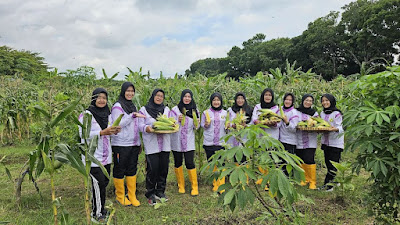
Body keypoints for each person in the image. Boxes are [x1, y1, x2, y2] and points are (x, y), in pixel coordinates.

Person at [79, 88, 121, 222]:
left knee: (104, 183)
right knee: (98, 184)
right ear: (94, 99)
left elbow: (108, 132)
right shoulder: (86, 115)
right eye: (99, 97)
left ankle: (99, 206)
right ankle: (97, 214)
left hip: (106, 155)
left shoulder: (107, 114)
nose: (102, 100)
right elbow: (83, 135)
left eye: (104, 98)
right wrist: (102, 133)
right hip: (92, 157)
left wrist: (114, 131)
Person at [111, 82, 145, 207]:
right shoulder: (117, 107)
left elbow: (136, 126)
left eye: (132, 91)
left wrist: (138, 142)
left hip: (133, 144)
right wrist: (131, 116)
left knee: (132, 169)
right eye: (128, 91)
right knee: (120, 169)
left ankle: (132, 195)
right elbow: (116, 124)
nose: (130, 93)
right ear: (123, 92)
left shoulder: (133, 106)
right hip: (121, 144)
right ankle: (120, 196)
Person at [138, 89, 172, 206]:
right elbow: (140, 125)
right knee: (153, 169)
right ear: (153, 96)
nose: (159, 98)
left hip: (165, 144)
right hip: (151, 144)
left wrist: (172, 125)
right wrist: (147, 128)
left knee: (163, 169)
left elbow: (171, 123)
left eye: (161, 96)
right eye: (157, 95)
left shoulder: (166, 110)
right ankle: (150, 193)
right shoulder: (144, 110)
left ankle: (160, 191)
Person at [170, 89, 200, 196]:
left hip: (189, 140)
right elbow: (170, 123)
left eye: (189, 97)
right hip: (176, 141)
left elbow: (196, 127)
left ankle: (194, 187)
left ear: (191, 98)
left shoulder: (195, 111)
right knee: (178, 162)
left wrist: (198, 123)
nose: (187, 99)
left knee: (189, 162)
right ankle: (181, 186)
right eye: (185, 96)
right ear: (182, 97)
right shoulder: (174, 110)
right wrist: (176, 119)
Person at [201, 92, 227, 192]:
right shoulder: (205, 112)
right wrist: (206, 124)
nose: (216, 102)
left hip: (222, 142)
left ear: (221, 101)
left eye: (218, 100)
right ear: (211, 101)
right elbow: (202, 125)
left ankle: (221, 184)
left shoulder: (225, 113)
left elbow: (228, 126)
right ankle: (215, 183)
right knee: (212, 163)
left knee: (222, 163)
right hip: (209, 142)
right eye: (214, 100)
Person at [320, 94, 344, 191]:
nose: (325, 102)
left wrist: (335, 129)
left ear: (331, 101)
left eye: (327, 100)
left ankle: (328, 185)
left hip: (335, 142)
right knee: (327, 162)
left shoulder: (337, 113)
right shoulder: (322, 113)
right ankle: (335, 182)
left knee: (333, 164)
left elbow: (340, 127)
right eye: (323, 101)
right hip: (326, 142)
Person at [296, 94, 319, 190]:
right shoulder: (296, 111)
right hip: (299, 139)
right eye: (306, 100)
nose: (308, 102)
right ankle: (303, 179)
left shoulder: (314, 113)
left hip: (310, 139)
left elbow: (318, 124)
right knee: (301, 159)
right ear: (302, 101)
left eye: (310, 101)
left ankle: (312, 181)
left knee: (309, 159)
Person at [279, 93, 299, 176]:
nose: (287, 101)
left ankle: (288, 178)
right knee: (281, 161)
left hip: (290, 141)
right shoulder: (280, 110)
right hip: (280, 140)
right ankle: (282, 177)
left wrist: (287, 122)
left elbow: (294, 129)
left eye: (290, 100)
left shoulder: (294, 112)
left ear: (292, 102)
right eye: (286, 99)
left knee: (288, 161)